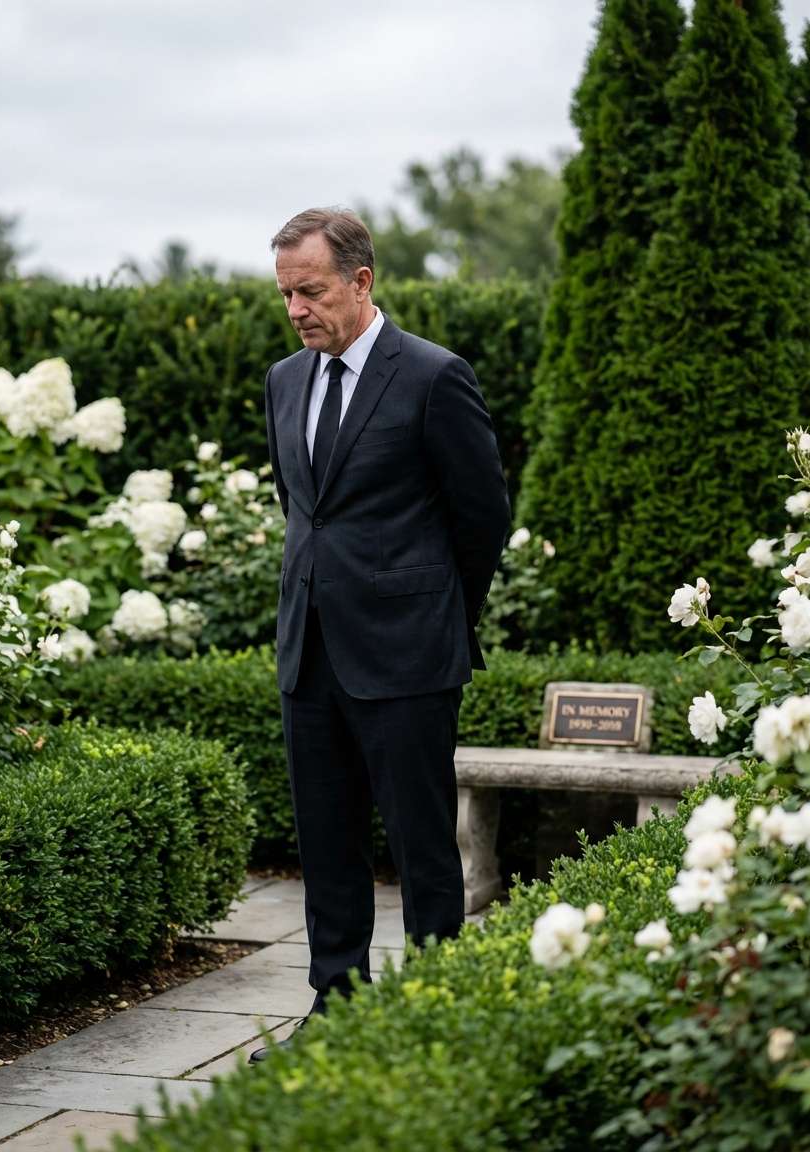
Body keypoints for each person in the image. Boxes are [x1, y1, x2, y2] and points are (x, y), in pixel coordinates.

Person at [250, 208, 510, 1063]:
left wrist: (433, 617)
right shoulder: (285, 380)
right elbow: (305, 512)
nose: (296, 309)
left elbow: (482, 519)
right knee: (326, 844)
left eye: (311, 290)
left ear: (361, 282)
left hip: (407, 657)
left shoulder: (435, 376)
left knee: (423, 850)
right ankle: (338, 1008)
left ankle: (436, 1012)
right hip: (309, 653)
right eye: (286, 293)